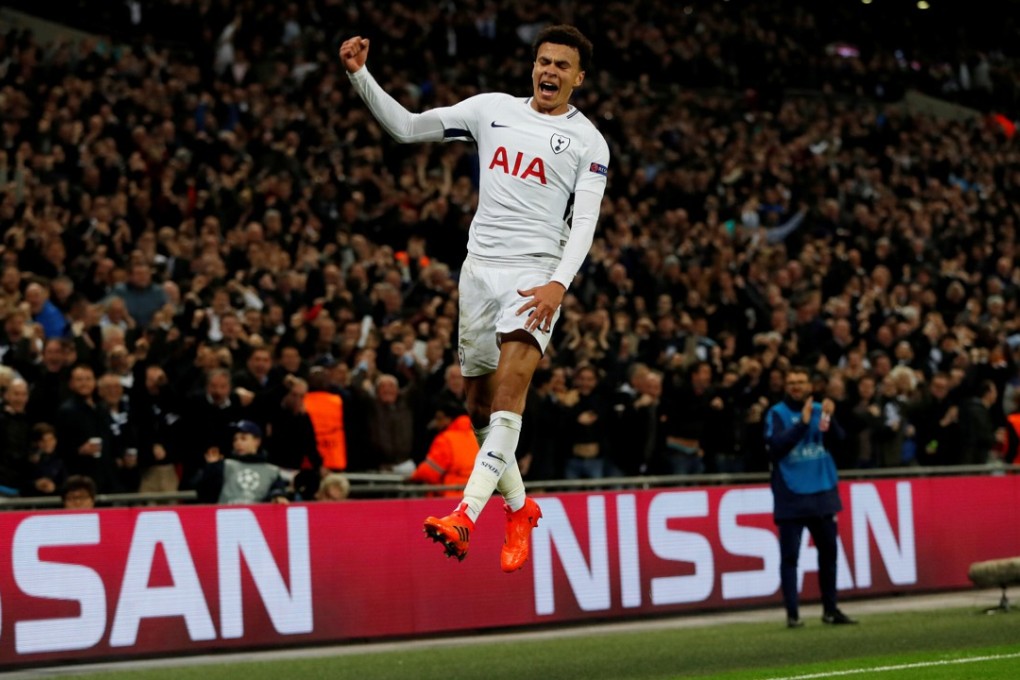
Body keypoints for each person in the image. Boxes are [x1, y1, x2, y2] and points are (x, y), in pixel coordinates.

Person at [340, 23, 609, 572]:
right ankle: (520, 507)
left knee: (511, 396)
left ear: (579, 78)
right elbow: (408, 129)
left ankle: (465, 514)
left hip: (534, 278)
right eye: (543, 62)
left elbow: (584, 222)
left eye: (562, 66)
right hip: (478, 272)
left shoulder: (589, 142)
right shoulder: (490, 110)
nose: (549, 72)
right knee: (477, 407)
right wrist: (360, 77)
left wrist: (560, 282)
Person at [764, 366, 857, 628]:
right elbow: (775, 448)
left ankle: (830, 609)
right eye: (791, 381)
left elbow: (840, 443)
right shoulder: (777, 413)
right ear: (785, 385)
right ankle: (793, 614)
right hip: (792, 496)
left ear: (810, 386)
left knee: (829, 555)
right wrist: (803, 424)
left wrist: (831, 418)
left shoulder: (820, 410)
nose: (796, 386)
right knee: (791, 558)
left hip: (822, 493)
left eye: (801, 381)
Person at [193, 420, 289, 505]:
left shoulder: (272, 471)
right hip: (226, 519)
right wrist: (211, 468)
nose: (238, 443)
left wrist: (277, 495)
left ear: (257, 441)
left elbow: (278, 491)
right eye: (235, 439)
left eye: (243, 438)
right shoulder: (224, 465)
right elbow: (204, 495)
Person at [406, 399, 477, 498]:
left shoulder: (445, 439)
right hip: (476, 495)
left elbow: (430, 472)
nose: (436, 423)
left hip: (451, 496)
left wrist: (413, 477)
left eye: (439, 418)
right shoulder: (475, 436)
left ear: (449, 419)